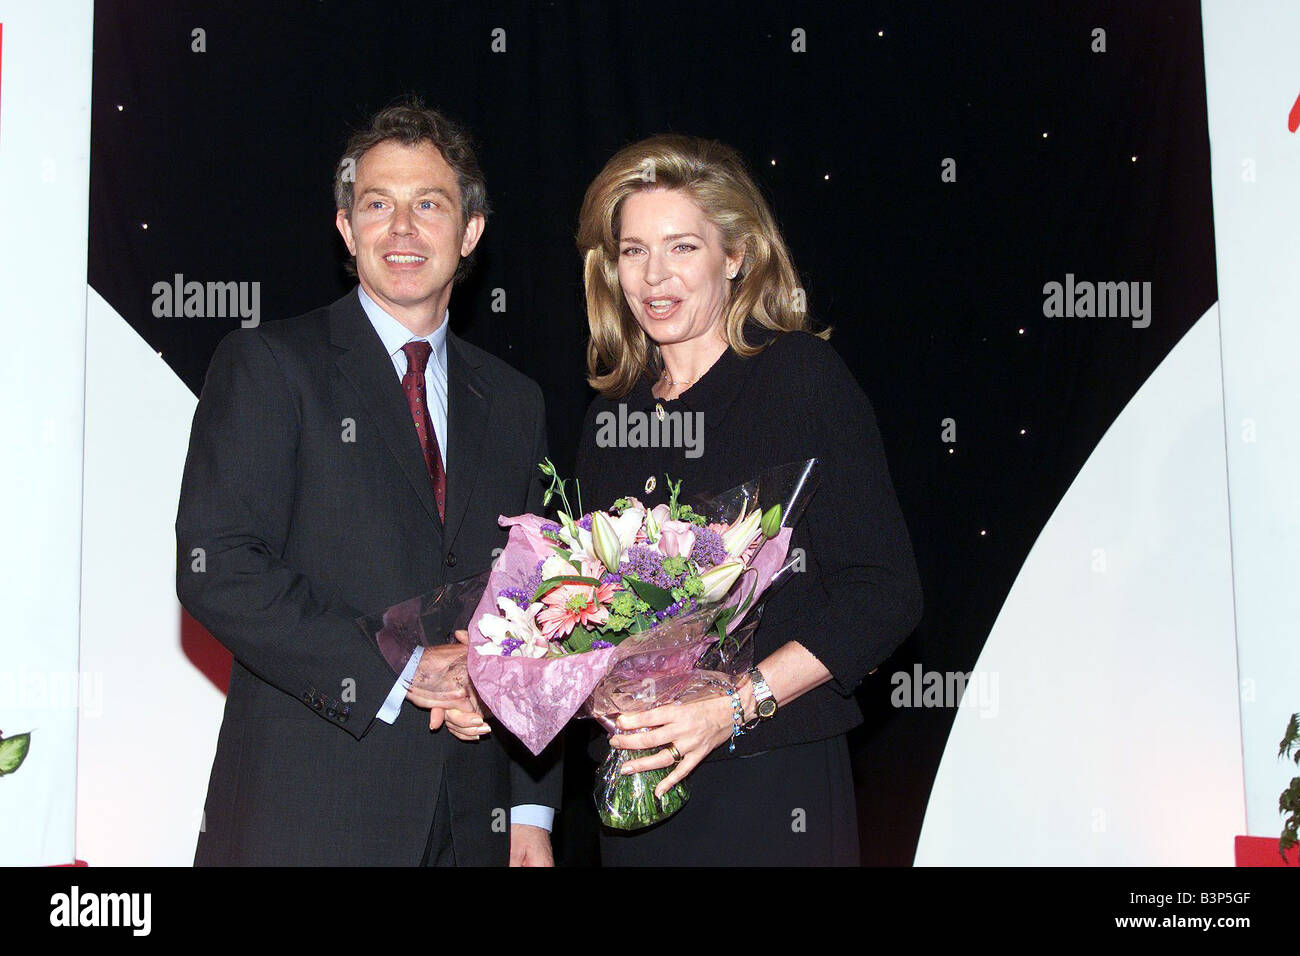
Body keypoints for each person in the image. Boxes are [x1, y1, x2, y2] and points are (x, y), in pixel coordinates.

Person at [176, 99, 560, 866]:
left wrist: (529, 811)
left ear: (470, 232)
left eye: (430, 204)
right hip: (309, 811)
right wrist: (400, 668)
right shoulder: (269, 366)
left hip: (475, 820)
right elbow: (218, 566)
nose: (404, 228)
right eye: (378, 205)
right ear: (348, 231)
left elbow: (542, 604)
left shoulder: (516, 402)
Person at [571, 134, 923, 865]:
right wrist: (592, 684)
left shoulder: (799, 377)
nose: (655, 276)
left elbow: (886, 592)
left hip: (773, 780)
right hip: (640, 787)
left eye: (682, 248)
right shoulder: (609, 419)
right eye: (633, 251)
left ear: (736, 256)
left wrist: (731, 707)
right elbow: (591, 607)